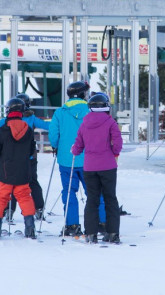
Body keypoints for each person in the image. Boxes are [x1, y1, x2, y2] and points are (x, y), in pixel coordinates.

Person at [48, 81, 106, 237]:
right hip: (90, 159)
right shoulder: (91, 111)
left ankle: (72, 224)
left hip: (67, 159)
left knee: (68, 192)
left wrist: (57, 146)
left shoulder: (60, 112)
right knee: (94, 192)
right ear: (83, 94)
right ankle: (101, 222)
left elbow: (53, 135)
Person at [0, 93, 49, 221]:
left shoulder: (6, 122)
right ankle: (39, 208)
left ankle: (9, 210)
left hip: (10, 159)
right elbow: (47, 126)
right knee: (32, 183)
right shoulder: (32, 118)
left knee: (10, 185)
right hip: (29, 158)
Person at [71, 93, 123, 244]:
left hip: (90, 167)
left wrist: (74, 151)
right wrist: (114, 152)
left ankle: (91, 234)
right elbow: (118, 143)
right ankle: (112, 233)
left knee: (92, 200)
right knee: (110, 199)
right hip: (108, 166)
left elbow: (78, 145)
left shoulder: (84, 123)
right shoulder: (110, 122)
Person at [0, 98, 37, 240]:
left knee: (1, 197)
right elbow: (32, 149)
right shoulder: (28, 130)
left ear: (8, 111)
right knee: (25, 197)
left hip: (5, 171)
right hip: (23, 171)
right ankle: (30, 226)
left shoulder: (2, 130)